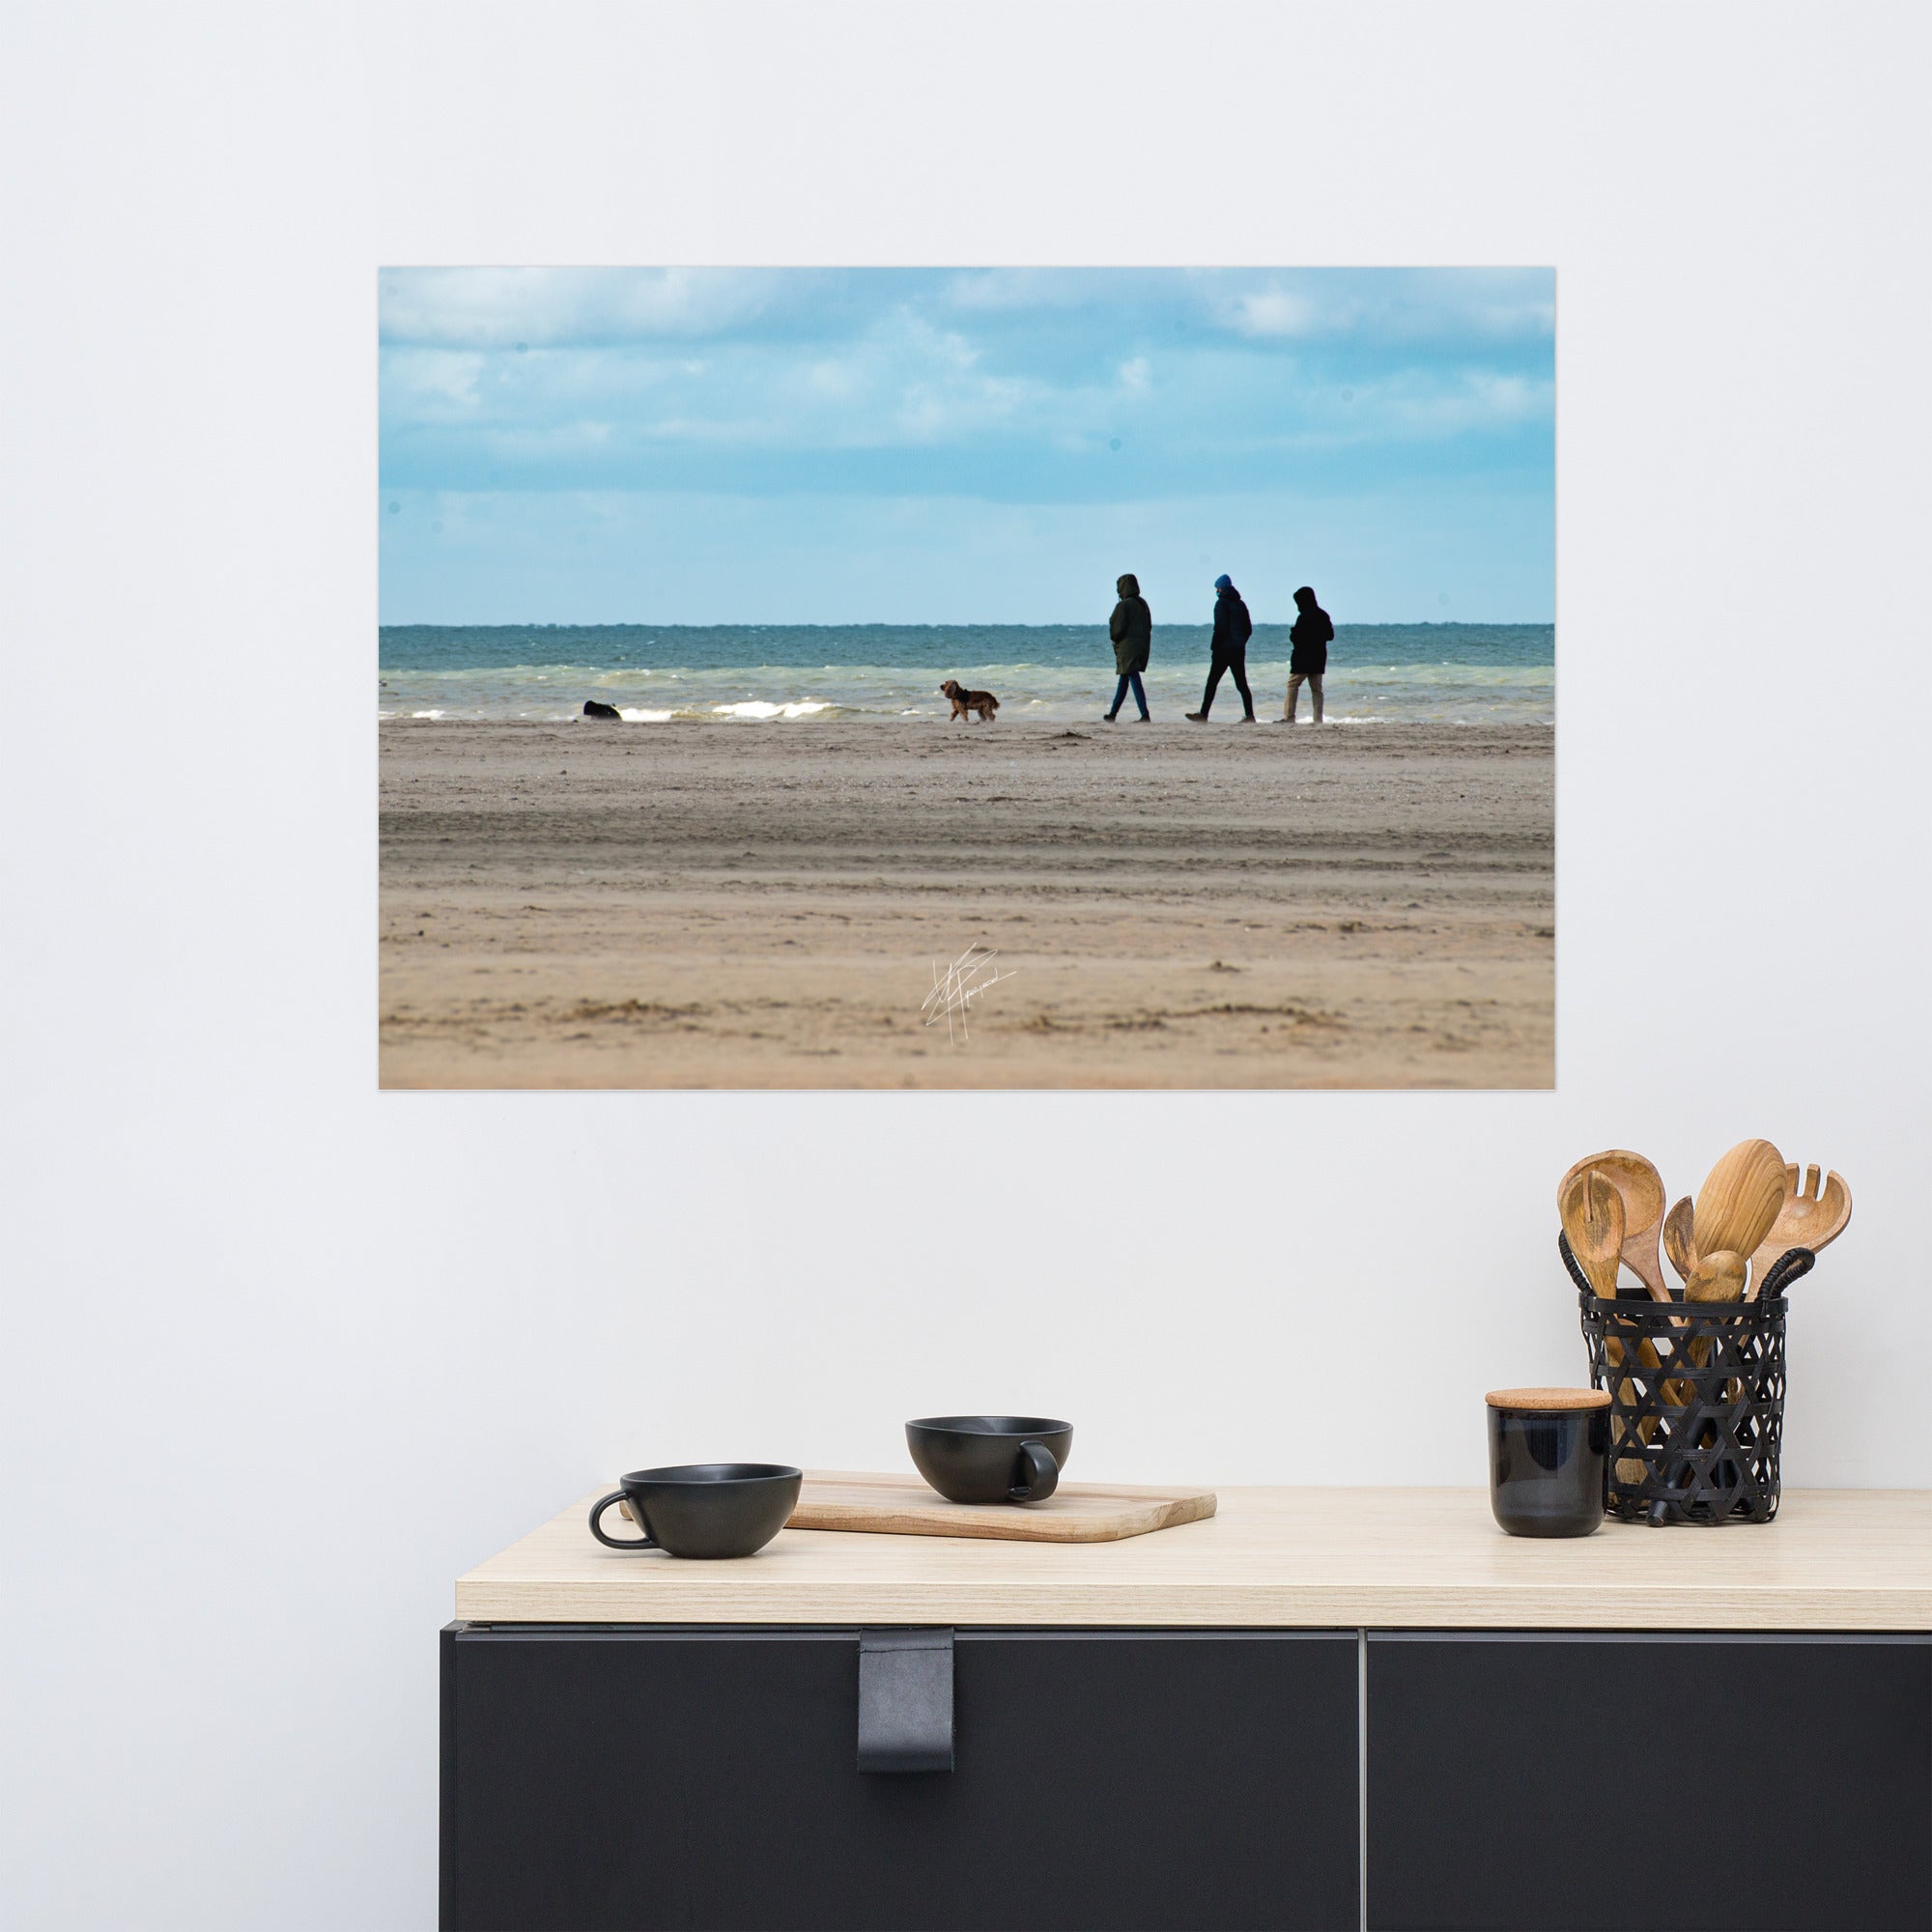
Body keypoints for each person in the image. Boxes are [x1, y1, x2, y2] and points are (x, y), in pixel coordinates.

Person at [1186, 573, 1254, 722]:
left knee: (1212, 683)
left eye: (1217, 588)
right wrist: (1241, 642)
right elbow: (1248, 629)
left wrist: (1214, 647)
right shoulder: (1241, 604)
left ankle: (1204, 714)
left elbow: (1220, 629)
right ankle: (1250, 715)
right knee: (1242, 684)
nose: (1216, 591)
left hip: (1223, 651)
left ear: (1222, 589)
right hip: (1238, 651)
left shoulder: (1221, 604)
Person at [1283, 583, 1334, 723]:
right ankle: (1317, 720)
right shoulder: (1323, 615)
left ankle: (1289, 717)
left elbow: (1297, 638)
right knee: (1317, 690)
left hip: (1303, 659)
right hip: (1318, 658)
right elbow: (1330, 635)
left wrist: (1294, 633)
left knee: (1292, 685)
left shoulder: (1303, 617)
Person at [1105, 572, 1152, 721]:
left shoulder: (1123, 605)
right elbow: (1149, 625)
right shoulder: (1142, 603)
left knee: (1132, 678)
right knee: (1124, 679)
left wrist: (1116, 640)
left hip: (1127, 648)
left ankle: (1145, 714)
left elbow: (1116, 630)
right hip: (1142, 645)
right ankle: (1113, 714)